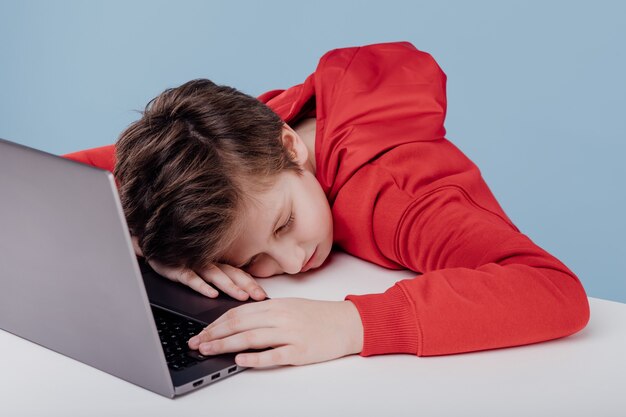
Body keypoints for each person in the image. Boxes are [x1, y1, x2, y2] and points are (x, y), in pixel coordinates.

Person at [62, 41, 590, 369]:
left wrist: (351, 325)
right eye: (252, 261)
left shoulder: (402, 199)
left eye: (285, 223)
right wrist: (149, 240)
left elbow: (554, 291)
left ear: (290, 145)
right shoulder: (229, 150)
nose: (291, 263)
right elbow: (77, 173)